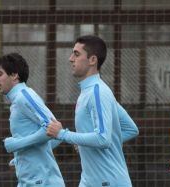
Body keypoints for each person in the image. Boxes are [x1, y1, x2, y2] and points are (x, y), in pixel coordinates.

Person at [46, 35, 138, 186]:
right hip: (91, 181)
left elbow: (102, 138)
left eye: (76, 54)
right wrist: (85, 142)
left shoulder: (98, 92)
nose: (70, 59)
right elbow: (131, 129)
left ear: (92, 60)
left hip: (108, 182)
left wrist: (62, 134)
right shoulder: (92, 91)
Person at [0, 53, 64, 186]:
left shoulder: (24, 96)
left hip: (43, 182)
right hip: (31, 181)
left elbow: (54, 129)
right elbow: (52, 137)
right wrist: (21, 157)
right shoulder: (18, 99)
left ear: (14, 75)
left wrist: (16, 145)